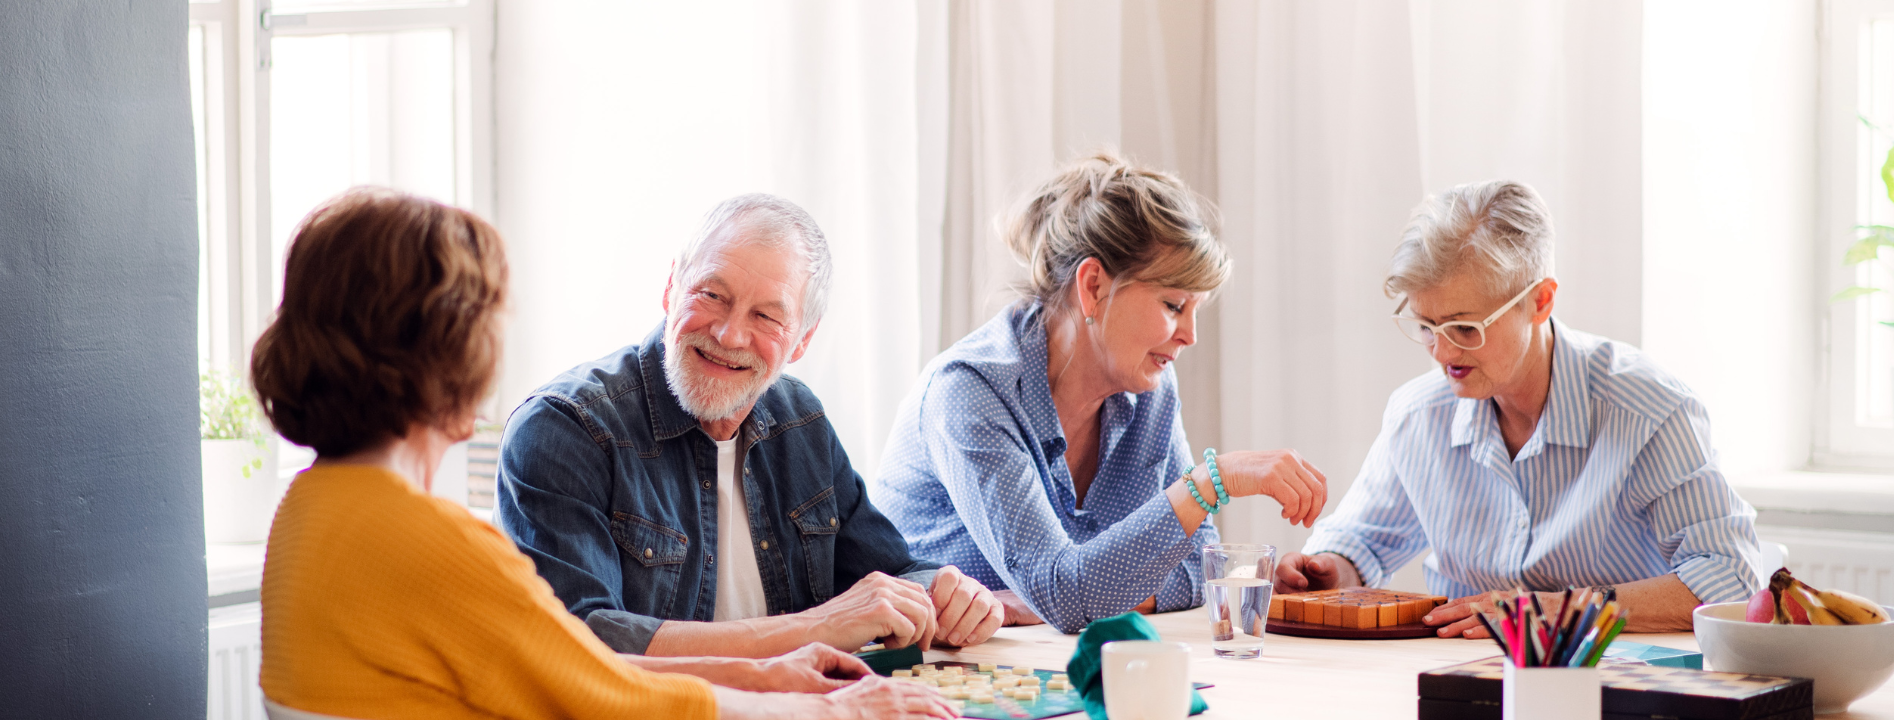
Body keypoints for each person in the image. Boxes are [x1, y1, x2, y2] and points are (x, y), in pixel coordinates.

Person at [254, 188, 954, 719]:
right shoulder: (438, 550)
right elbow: (604, 691)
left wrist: (774, 675)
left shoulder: (309, 509)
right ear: (454, 357)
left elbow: (586, 674)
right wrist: (824, 708)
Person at [496, 194, 1004, 658]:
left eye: (766, 316)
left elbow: (887, 574)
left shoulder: (799, 420)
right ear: (672, 287)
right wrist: (818, 627)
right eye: (712, 295)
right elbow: (582, 641)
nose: (729, 333)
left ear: (802, 341)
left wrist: (949, 592)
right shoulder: (564, 428)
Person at [871, 153, 1331, 634]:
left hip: (1039, 664)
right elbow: (1067, 596)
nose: (1190, 335)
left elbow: (1198, 569)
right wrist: (1214, 480)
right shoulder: (970, 392)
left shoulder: (1149, 386)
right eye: (1174, 305)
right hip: (924, 674)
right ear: (1092, 286)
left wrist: (1066, 600)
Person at [1277, 180, 1761, 635]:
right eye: (1426, 326)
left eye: (1466, 330)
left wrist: (1557, 610)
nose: (1443, 355)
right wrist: (1325, 571)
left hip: (1607, 681)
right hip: (1461, 679)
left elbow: (1730, 579)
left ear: (1540, 302)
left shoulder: (1649, 411)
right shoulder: (1417, 416)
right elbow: (1361, 541)